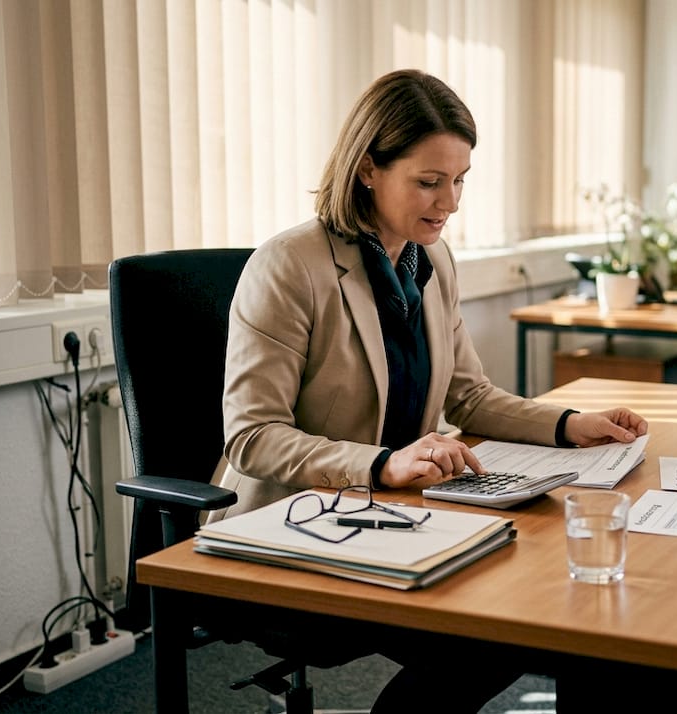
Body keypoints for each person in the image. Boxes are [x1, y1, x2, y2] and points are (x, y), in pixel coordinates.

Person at [209, 68, 649, 713]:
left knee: (536, 605)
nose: (450, 202)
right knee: (491, 631)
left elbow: (469, 396)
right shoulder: (288, 267)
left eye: (459, 180)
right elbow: (252, 437)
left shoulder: (429, 260)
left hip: (399, 513)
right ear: (367, 169)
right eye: (428, 182)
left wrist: (567, 423)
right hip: (295, 523)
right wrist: (384, 464)